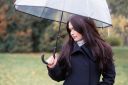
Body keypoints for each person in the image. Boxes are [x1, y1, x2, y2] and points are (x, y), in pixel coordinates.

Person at [46, 15, 116, 85]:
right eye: (70, 29)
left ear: (84, 27)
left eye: (74, 29)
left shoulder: (102, 49)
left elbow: (109, 77)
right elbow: (59, 76)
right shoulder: (68, 48)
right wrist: (53, 67)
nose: (72, 33)